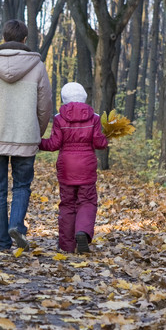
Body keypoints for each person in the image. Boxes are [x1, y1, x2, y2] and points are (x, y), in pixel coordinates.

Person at [0, 19, 52, 251]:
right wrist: (37, 132)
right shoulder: (37, 66)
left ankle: (2, 243)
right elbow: (45, 107)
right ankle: (16, 225)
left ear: (4, 38)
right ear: (25, 40)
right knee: (22, 186)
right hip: (25, 136)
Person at [39, 82, 108, 253]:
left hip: (66, 167)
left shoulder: (59, 118)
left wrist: (38, 143)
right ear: (84, 96)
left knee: (67, 204)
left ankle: (67, 245)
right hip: (87, 166)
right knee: (87, 201)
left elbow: (54, 144)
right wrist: (106, 137)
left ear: (64, 99)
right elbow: (99, 144)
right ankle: (82, 231)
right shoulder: (95, 118)